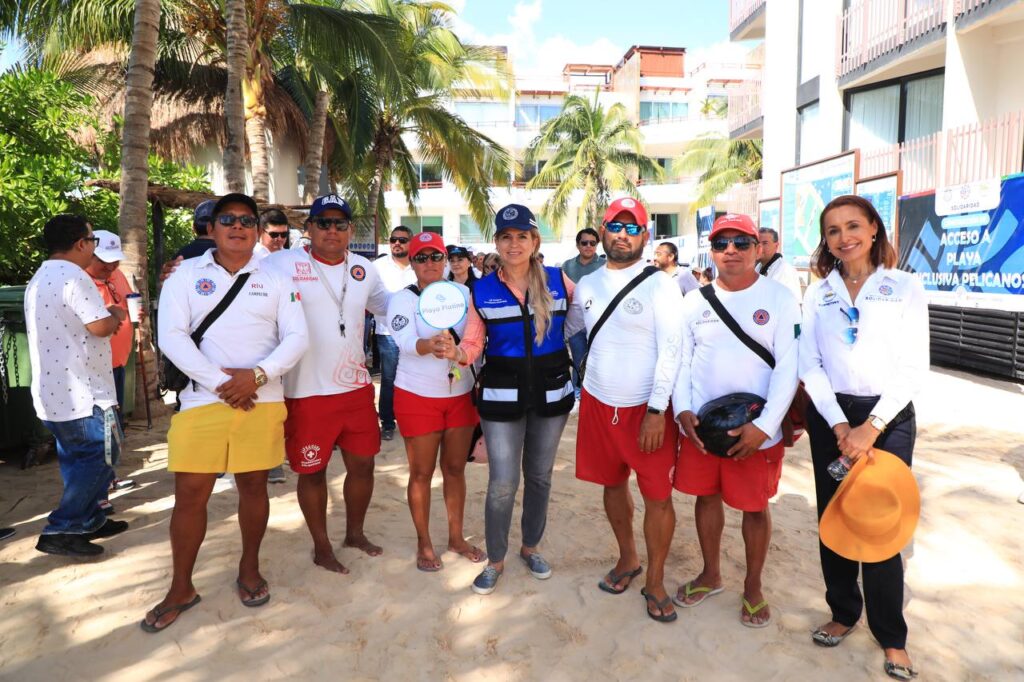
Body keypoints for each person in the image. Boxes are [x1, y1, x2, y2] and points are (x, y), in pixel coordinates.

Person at [144, 193, 307, 633]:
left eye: (246, 220)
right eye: (228, 219)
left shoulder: (275, 274)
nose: (238, 226)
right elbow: (172, 337)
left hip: (262, 398)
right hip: (202, 400)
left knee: (255, 486)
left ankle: (249, 570)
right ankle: (181, 587)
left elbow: (296, 336)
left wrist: (255, 376)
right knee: (190, 495)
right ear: (211, 228)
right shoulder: (184, 275)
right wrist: (223, 382)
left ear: (256, 229)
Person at [799, 195, 927, 680]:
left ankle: (891, 636)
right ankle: (843, 611)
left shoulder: (904, 286)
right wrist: (838, 424)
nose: (844, 236)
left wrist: (871, 428)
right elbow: (809, 364)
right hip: (831, 415)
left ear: (874, 229)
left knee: (879, 525)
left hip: (887, 417)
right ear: (826, 240)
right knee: (834, 515)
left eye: (854, 225)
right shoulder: (818, 293)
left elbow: (915, 365)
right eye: (833, 230)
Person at [672, 212, 800, 628]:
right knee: (705, 497)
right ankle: (711, 574)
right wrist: (682, 410)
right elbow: (683, 361)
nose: (730, 251)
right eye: (721, 243)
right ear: (711, 251)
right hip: (703, 427)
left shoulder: (780, 299)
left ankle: (753, 586)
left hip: (756, 427)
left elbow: (789, 366)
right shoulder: (694, 301)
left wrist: (764, 426)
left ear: (757, 248)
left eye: (740, 243)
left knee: (754, 506)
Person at [567, 197, 683, 622]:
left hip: (646, 409)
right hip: (598, 402)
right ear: (602, 230)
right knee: (611, 485)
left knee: (657, 496)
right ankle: (628, 558)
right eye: (615, 225)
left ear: (645, 236)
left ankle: (655, 581)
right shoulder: (589, 285)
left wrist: (657, 409)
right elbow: (573, 329)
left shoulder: (661, 284)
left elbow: (672, 348)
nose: (622, 234)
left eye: (632, 228)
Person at [266, 194, 392, 573]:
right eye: (323, 223)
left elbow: (391, 307)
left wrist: (445, 295)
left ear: (351, 230)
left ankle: (355, 533)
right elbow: (235, 280)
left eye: (340, 224)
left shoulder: (364, 269)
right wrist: (185, 269)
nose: (332, 230)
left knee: (363, 467)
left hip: (355, 388)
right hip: (305, 391)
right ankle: (321, 546)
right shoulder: (280, 263)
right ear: (309, 229)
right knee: (312, 471)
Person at [455, 204, 575, 595]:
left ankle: (531, 547)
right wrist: (454, 352)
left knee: (539, 477)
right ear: (497, 243)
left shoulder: (561, 281)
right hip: (502, 396)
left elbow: (580, 326)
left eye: (522, 236)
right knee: (502, 482)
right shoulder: (481, 289)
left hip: (552, 393)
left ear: (534, 240)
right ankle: (496, 559)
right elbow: (473, 344)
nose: (514, 243)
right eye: (506, 237)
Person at [25, 214, 129, 557]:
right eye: (92, 241)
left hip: (56, 391)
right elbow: (99, 327)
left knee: (78, 458)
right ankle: (62, 527)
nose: (94, 248)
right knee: (100, 455)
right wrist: (115, 314)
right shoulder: (74, 276)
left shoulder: (40, 276)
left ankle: (91, 517)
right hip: (84, 392)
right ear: (81, 244)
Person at [387, 232, 485, 571]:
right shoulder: (402, 299)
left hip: (459, 395)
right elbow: (403, 341)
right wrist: (431, 345)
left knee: (455, 469)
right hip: (417, 396)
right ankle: (424, 543)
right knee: (421, 473)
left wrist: (458, 349)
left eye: (436, 256)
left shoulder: (464, 294)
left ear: (446, 260)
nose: (429, 264)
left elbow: (477, 339)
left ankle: (456, 537)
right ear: (411, 262)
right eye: (421, 257)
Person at [85, 230, 137, 496]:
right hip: (93, 368)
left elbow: (128, 303)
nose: (111, 266)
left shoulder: (115, 274)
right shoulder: (80, 281)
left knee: (113, 425)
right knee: (100, 429)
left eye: (115, 261)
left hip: (117, 363)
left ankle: (108, 478)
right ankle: (99, 489)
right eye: (104, 261)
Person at [255, 209, 291, 484]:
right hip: (257, 342)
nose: (279, 240)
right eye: (274, 235)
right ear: (261, 232)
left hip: (286, 342)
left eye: (284, 235)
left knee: (278, 402)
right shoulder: (251, 258)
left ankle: (274, 460)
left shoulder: (290, 260)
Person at [373, 226, 417, 441]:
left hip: (417, 334)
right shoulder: (377, 267)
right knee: (389, 379)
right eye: (393, 239)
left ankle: (413, 419)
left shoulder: (420, 264)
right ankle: (388, 422)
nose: (396, 243)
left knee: (414, 376)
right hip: (387, 333)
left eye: (402, 239)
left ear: (411, 242)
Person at [561, 228, 604, 403]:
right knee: (579, 359)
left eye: (592, 243)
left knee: (597, 359)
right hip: (575, 323)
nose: (588, 246)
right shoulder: (567, 266)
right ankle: (578, 393)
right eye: (584, 243)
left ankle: (593, 394)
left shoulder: (604, 266)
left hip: (599, 322)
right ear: (578, 245)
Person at [757, 228, 802, 302]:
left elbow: (792, 303)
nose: (759, 247)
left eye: (765, 243)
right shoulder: (758, 268)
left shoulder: (786, 270)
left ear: (776, 246)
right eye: (757, 243)